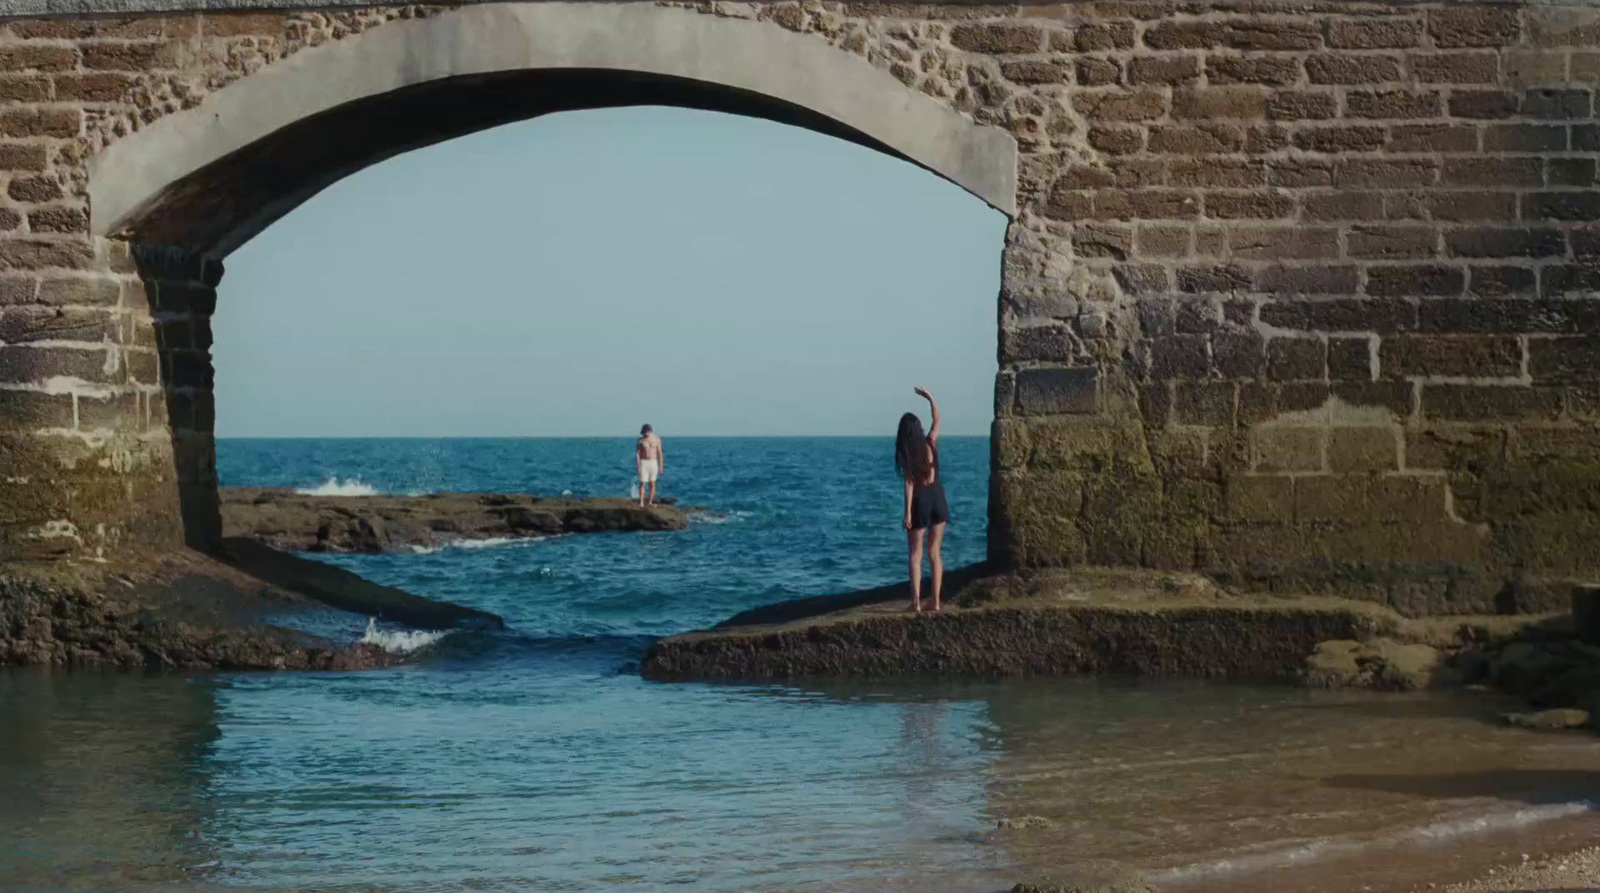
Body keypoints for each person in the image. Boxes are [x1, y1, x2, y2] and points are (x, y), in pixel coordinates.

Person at [896, 386, 949, 613]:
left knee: (916, 554)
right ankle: (935, 602)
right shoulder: (930, 443)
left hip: (920, 501)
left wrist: (907, 512)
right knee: (935, 554)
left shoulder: (908, 454)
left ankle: (916, 603)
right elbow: (937, 421)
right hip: (938, 498)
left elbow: (909, 484)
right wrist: (931, 398)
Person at [636, 424, 664, 507]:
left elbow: (660, 453)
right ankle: (641, 501)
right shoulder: (640, 441)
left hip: (653, 462)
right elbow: (638, 453)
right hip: (644, 462)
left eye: (647, 431)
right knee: (643, 483)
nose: (646, 433)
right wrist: (638, 465)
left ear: (650, 431)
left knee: (652, 483)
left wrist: (661, 466)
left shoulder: (656, 439)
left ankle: (650, 501)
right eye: (645, 432)